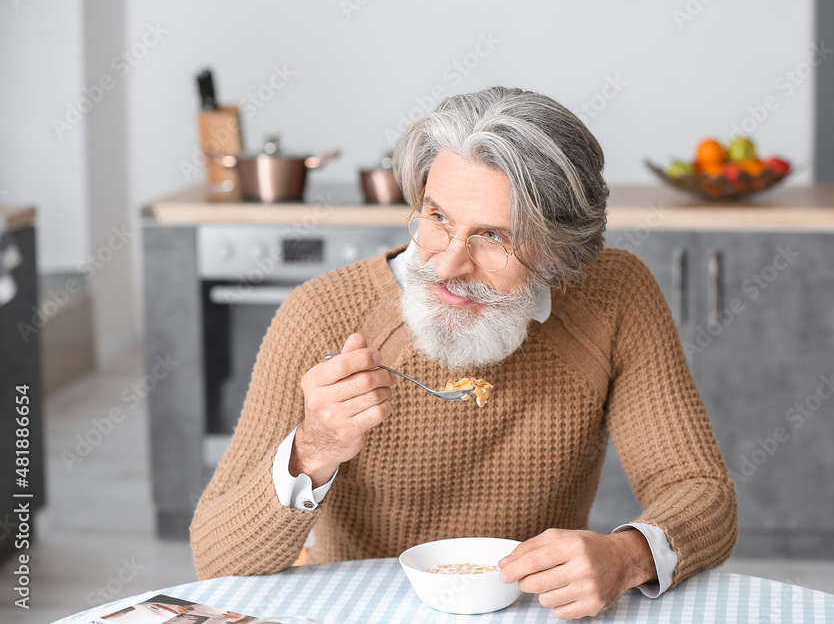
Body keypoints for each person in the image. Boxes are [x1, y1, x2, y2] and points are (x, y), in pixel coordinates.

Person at [190, 86, 737, 620]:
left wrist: (628, 555)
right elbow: (216, 561)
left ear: (559, 248)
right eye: (438, 218)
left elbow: (699, 490)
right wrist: (312, 449)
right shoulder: (320, 316)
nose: (448, 265)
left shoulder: (614, 297)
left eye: (493, 237)